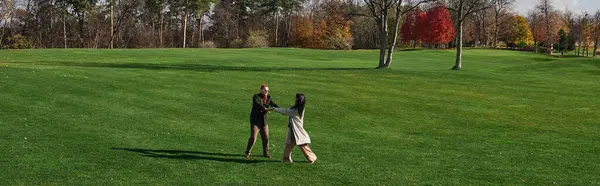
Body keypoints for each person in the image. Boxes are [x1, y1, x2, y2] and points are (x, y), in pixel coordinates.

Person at [270, 93, 317, 163]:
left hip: (297, 130)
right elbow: (287, 111)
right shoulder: (297, 108)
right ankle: (286, 159)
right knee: (289, 144)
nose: (295, 99)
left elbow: (286, 111)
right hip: (292, 129)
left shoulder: (297, 110)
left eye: (297, 98)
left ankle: (312, 158)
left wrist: (274, 109)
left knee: (302, 145)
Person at [245, 84, 278, 158]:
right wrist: (265, 109)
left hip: (264, 121)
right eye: (265, 90)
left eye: (267, 90)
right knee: (253, 137)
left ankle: (266, 152)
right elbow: (258, 105)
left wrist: (280, 110)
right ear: (261, 90)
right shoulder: (256, 97)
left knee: (265, 137)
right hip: (255, 121)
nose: (266, 91)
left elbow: (273, 104)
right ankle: (248, 151)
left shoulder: (269, 97)